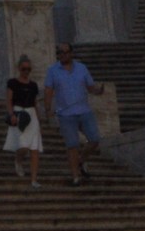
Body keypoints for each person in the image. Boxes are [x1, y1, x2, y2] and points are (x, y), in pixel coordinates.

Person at [42, 41, 102, 187]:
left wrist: (97, 91)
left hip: (84, 110)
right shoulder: (53, 70)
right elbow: (49, 90)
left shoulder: (82, 68)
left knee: (94, 139)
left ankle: (81, 161)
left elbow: (90, 87)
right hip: (66, 114)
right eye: (60, 53)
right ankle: (76, 176)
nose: (62, 55)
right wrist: (48, 108)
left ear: (71, 53)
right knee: (72, 144)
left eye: (65, 52)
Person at [2, 54, 44, 185]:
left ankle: (34, 179)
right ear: (19, 69)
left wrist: (39, 118)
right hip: (19, 112)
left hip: (31, 113)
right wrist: (11, 114)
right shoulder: (13, 83)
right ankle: (18, 160)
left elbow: (35, 102)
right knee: (23, 146)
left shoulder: (33, 85)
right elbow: (9, 100)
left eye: (28, 69)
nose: (26, 71)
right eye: (24, 69)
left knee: (34, 148)